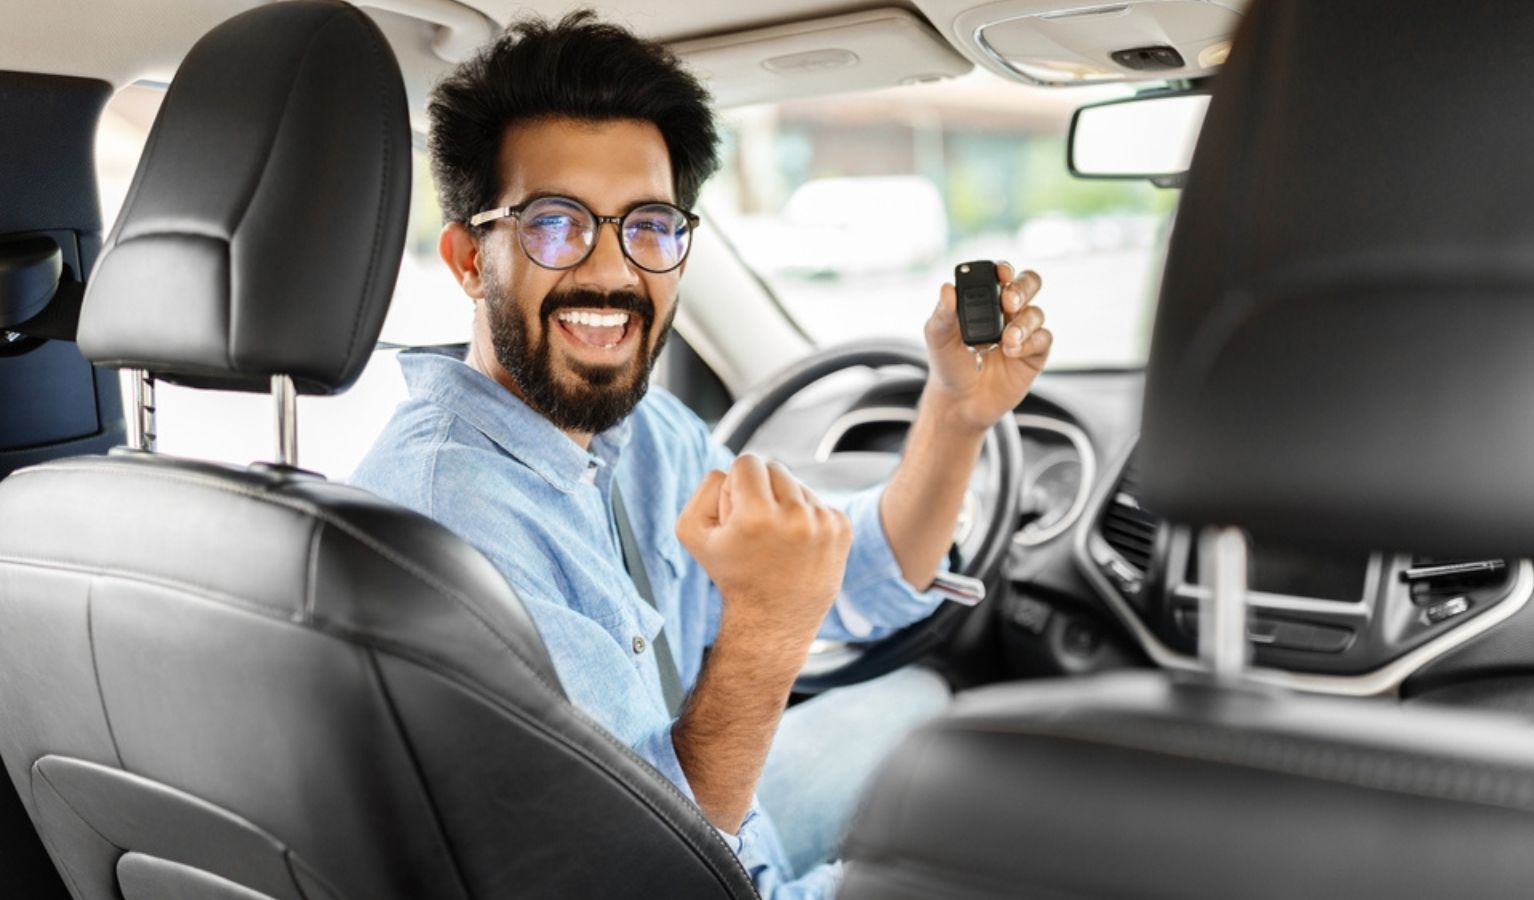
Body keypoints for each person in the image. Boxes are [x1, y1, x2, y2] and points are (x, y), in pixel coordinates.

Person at [351, 11, 1052, 898]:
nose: (610, 272)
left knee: (925, 705)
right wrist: (765, 628)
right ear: (465, 258)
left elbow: (859, 575)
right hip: (681, 873)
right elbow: (638, 869)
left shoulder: (637, 435)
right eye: (556, 225)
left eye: (647, 225)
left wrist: (955, 413)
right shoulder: (447, 529)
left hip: (717, 829)